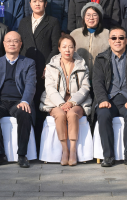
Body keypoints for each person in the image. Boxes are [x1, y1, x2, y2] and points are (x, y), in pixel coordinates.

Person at [92, 26, 127, 167]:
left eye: (121, 38)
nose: (117, 40)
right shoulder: (100, 59)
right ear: (109, 41)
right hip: (108, 99)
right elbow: (97, 82)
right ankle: (108, 156)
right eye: (114, 38)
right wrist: (102, 99)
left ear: (126, 40)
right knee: (103, 114)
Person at [0, 30, 36, 167]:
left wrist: (25, 101)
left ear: (20, 44)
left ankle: (22, 155)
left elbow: (30, 84)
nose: (12, 43)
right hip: (0, 102)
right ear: (4, 44)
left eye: (15, 41)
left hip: (18, 101)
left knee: (24, 112)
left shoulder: (29, 63)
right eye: (9, 41)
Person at [42, 34, 92, 166]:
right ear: (59, 48)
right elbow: (49, 88)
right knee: (60, 114)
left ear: (74, 48)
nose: (67, 50)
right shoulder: (51, 66)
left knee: (72, 113)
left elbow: (85, 88)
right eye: (64, 47)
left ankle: (73, 150)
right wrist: (61, 103)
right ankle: (65, 150)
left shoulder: (82, 65)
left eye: (70, 47)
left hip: (77, 102)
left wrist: (71, 102)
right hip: (55, 102)